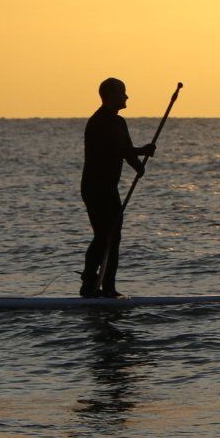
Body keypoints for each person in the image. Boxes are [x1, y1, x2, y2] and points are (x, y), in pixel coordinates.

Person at [80, 77, 156, 298]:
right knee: (103, 235)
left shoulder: (119, 122)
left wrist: (138, 165)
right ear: (110, 96)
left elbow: (127, 149)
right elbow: (119, 149)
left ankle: (108, 287)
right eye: (122, 93)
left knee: (114, 235)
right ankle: (89, 283)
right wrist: (141, 153)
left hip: (109, 189)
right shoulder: (99, 122)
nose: (126, 96)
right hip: (95, 189)